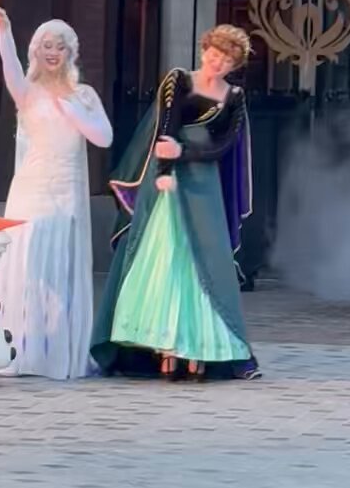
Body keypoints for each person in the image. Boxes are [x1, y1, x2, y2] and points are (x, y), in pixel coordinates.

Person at [91, 24, 260, 381]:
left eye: (226, 59)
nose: (217, 61)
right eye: (214, 53)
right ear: (204, 50)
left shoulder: (234, 97)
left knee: (205, 261)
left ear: (234, 65)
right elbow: (165, 128)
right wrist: (167, 169)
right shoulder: (179, 80)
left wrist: (185, 153)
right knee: (164, 257)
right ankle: (164, 349)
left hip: (203, 181)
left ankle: (201, 350)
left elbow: (224, 144)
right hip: (166, 182)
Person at [0, 2, 112, 380]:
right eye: (46, 46)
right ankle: (18, 349)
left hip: (66, 192)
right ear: (36, 51)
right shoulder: (28, 92)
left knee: (61, 272)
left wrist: (75, 112)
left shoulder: (84, 95)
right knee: (28, 268)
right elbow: (9, 66)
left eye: (59, 46)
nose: (52, 52)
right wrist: (3, 29)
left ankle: (57, 353)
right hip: (31, 190)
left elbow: (104, 138)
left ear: (70, 52)